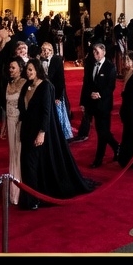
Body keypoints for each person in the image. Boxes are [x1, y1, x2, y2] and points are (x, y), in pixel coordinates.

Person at [18, 60, 95, 209]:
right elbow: (23, 109)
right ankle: (30, 197)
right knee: (26, 164)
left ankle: (34, 199)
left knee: (31, 165)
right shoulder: (26, 86)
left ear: (38, 70)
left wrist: (42, 132)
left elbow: (47, 112)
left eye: (31, 70)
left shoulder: (45, 86)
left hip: (38, 132)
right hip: (27, 132)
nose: (28, 73)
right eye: (27, 70)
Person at [76, 43, 120, 168]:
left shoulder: (110, 66)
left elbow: (111, 86)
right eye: (94, 51)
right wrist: (83, 103)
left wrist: (99, 94)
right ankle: (117, 147)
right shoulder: (90, 65)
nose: (95, 54)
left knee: (102, 132)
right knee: (103, 131)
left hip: (104, 105)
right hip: (91, 104)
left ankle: (98, 159)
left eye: (97, 51)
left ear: (104, 52)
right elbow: (86, 84)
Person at [1, 61, 24, 203]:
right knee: (13, 154)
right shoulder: (8, 84)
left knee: (20, 154)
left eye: (13, 67)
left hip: (20, 123)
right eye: (9, 67)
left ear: (20, 69)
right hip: (10, 122)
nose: (10, 70)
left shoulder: (24, 83)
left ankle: (21, 190)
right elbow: (5, 106)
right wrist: (3, 126)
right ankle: (13, 191)